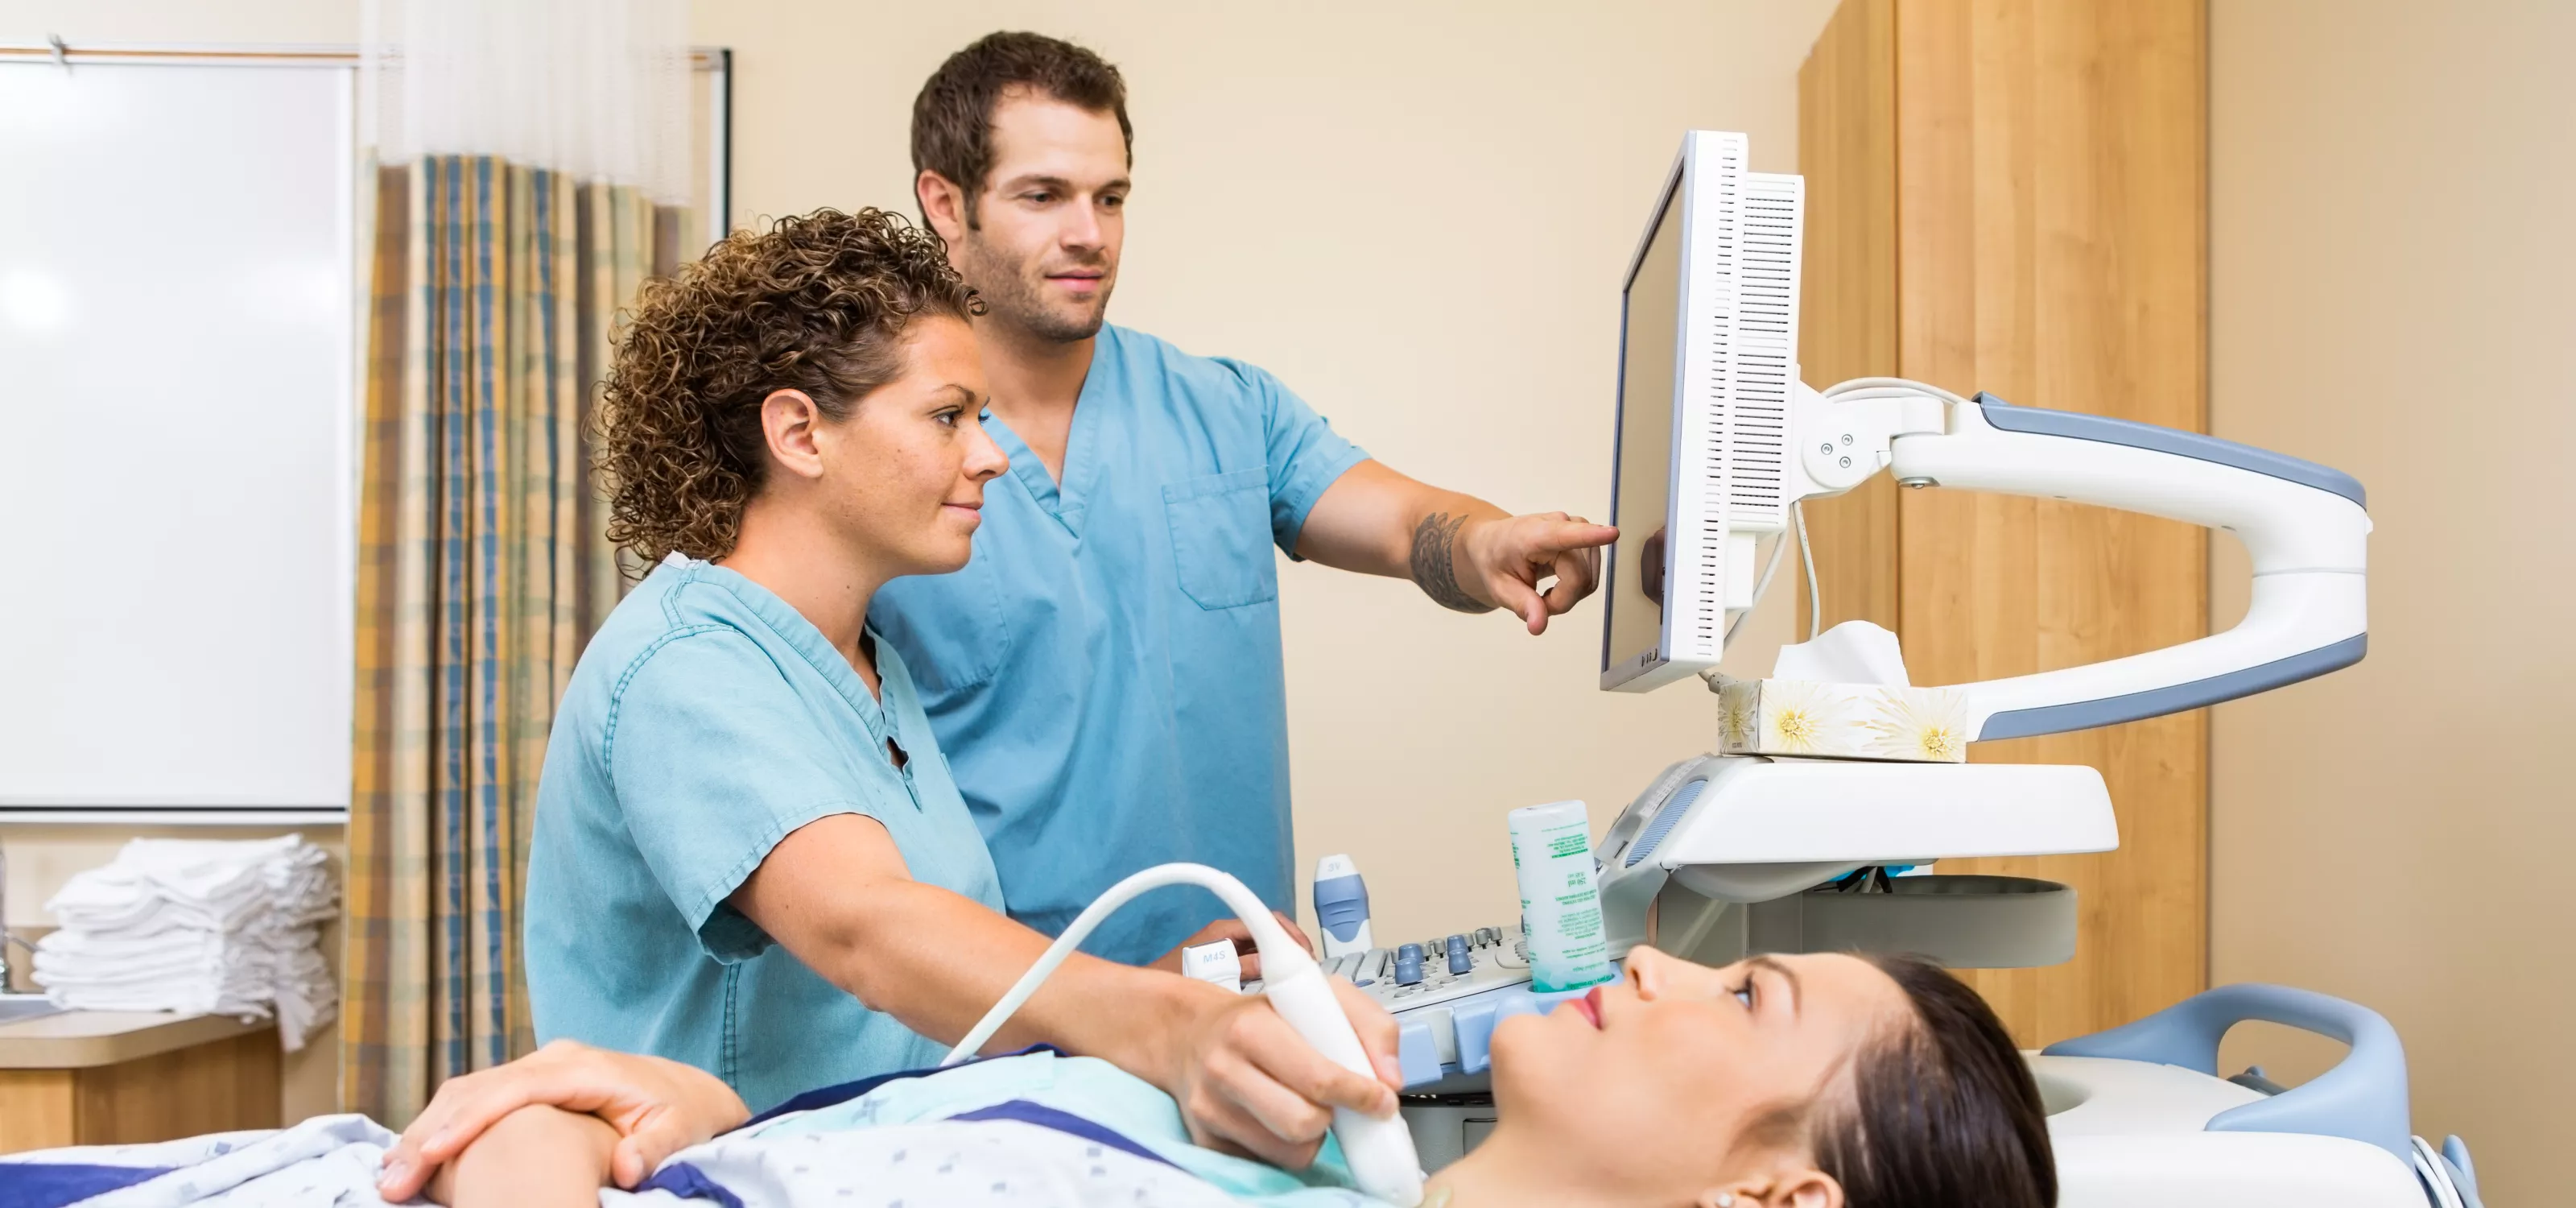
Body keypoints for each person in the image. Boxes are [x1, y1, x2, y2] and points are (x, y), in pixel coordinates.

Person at [494, 207, 1399, 1197]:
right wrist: (1164, 1023)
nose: (990, 454)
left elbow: (925, 1030)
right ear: (800, 432)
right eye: (947, 416)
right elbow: (866, 930)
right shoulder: (682, 666)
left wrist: (1167, 987)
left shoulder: (867, 668)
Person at [869, 32, 1624, 966]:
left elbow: (1405, 524)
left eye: (1110, 198)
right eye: (1042, 196)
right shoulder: (879, 452)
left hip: (1248, 1003)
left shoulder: (1225, 410)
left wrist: (1485, 542)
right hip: (1005, 1035)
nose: (1088, 234)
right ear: (945, 203)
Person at [362, 947, 2054, 1208]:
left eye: (1739, 988)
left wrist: (537, 1138)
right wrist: (723, 1119)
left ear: (1775, 1193)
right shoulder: (1297, 1146)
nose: (1647, 960)